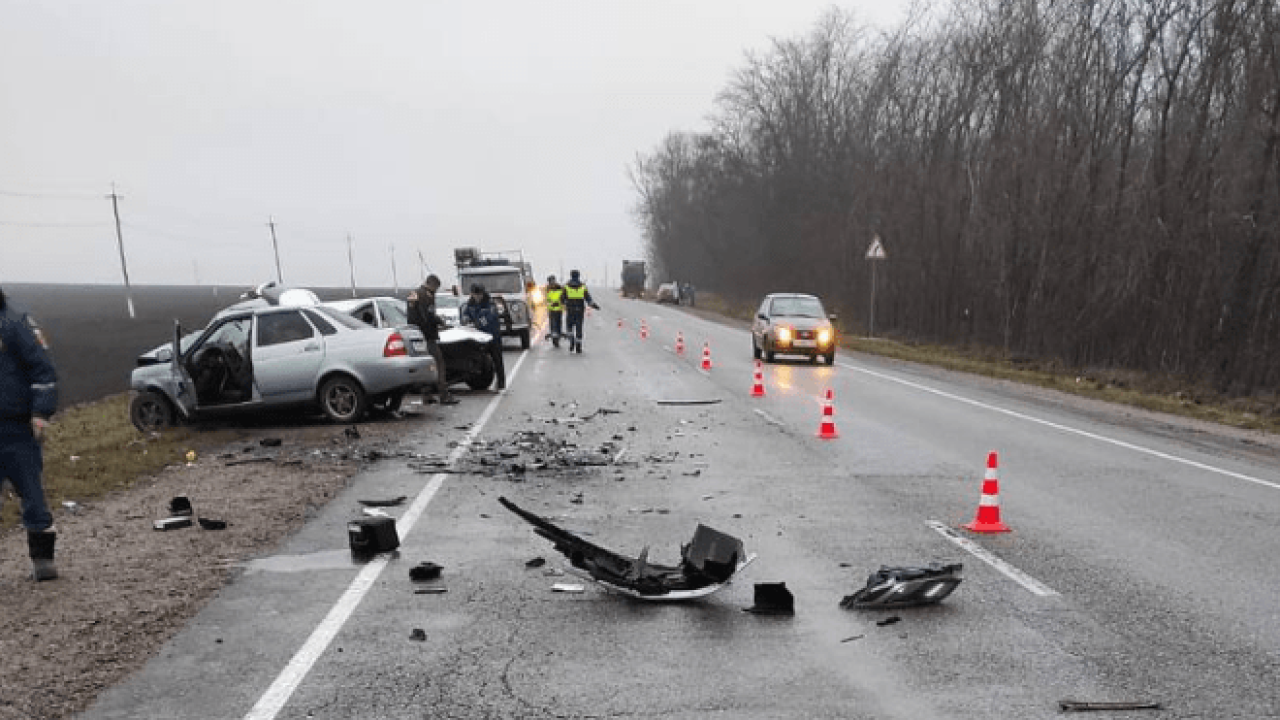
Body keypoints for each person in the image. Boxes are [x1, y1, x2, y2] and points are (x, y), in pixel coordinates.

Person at [0, 286, 59, 581]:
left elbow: (42, 371)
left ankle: (43, 559)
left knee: (32, 495)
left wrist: (40, 413)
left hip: (17, 429)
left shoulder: (15, 324)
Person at [407, 274, 457, 405]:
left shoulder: (413, 293)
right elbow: (428, 316)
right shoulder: (426, 296)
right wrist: (440, 322)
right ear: (432, 285)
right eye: (436, 288)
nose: (436, 291)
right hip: (427, 336)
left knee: (426, 366)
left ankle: (426, 394)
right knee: (439, 364)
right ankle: (444, 394)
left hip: (415, 336)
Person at [462, 283, 506, 390]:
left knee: (497, 359)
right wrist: (466, 320)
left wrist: (478, 323)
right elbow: (465, 314)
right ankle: (478, 379)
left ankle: (501, 382)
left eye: (479, 294)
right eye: (475, 294)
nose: (477, 297)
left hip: (492, 336)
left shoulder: (490, 303)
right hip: (477, 337)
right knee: (477, 358)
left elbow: (491, 317)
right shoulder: (470, 304)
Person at [562, 269, 600, 354]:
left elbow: (562, 299)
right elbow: (588, 298)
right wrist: (594, 305)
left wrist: (563, 304)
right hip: (579, 310)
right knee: (579, 328)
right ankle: (578, 346)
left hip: (570, 310)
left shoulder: (566, 286)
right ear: (578, 276)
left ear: (571, 275)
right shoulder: (583, 286)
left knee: (569, 327)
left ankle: (571, 340)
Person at [544, 275, 565, 348]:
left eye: (553, 280)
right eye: (551, 281)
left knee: (556, 323)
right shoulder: (547, 289)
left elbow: (563, 297)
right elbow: (546, 298)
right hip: (553, 309)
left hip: (557, 309)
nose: (552, 282)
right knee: (554, 324)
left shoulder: (558, 287)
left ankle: (556, 337)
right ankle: (555, 338)